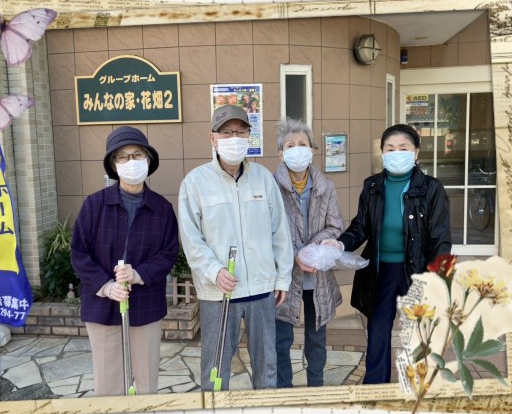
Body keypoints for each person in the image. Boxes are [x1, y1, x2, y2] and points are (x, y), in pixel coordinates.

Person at [322, 124, 451, 384]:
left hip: (418, 271)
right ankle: (375, 387)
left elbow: (440, 239)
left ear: (416, 152)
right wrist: (340, 244)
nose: (396, 153)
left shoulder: (431, 188)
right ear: (382, 153)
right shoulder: (373, 186)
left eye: (403, 148)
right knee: (378, 331)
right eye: (390, 149)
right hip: (381, 272)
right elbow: (361, 226)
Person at [178, 104, 293, 391]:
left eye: (241, 132)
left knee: (266, 365)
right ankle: (215, 413)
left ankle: (265, 412)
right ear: (213, 138)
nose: (234, 138)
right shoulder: (195, 182)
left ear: (249, 137)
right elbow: (191, 238)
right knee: (216, 367)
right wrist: (213, 271)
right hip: (219, 291)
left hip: (261, 289)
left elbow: (280, 232)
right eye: (227, 132)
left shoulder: (263, 178)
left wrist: (282, 278)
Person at [71, 126, 179, 396]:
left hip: (146, 304)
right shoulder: (94, 205)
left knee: (146, 384)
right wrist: (106, 286)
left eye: (137, 154)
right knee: (109, 385)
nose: (131, 161)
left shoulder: (162, 208)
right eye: (122, 156)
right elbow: (79, 253)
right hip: (102, 306)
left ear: (148, 160)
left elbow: (168, 253)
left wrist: (138, 274)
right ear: (113, 164)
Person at [273, 118, 345, 388]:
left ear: (312, 149)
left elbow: (335, 226)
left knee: (317, 339)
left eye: (302, 144)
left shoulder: (326, 186)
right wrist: (295, 254)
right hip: (283, 278)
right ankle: (284, 391)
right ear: (281, 153)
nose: (297, 149)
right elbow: (266, 230)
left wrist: (312, 250)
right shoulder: (270, 186)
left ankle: (316, 387)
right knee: (281, 340)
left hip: (318, 277)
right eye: (290, 145)